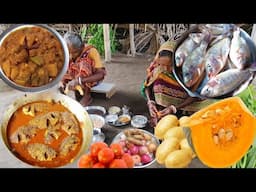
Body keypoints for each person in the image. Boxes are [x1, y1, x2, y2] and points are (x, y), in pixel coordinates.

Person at [141, 35, 216, 127]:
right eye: (162, 64)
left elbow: (196, 95)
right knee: (159, 79)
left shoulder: (193, 67)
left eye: (170, 65)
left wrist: (174, 108)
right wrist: (150, 102)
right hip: (172, 98)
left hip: (192, 98)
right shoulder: (158, 66)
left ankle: (183, 111)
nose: (166, 69)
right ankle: (161, 109)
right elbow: (148, 83)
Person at [59, 32, 106, 106]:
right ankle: (62, 93)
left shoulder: (91, 51)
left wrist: (79, 80)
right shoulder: (67, 53)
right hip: (74, 78)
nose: (71, 55)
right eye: (69, 52)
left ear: (81, 47)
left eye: (74, 52)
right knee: (64, 64)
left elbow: (101, 74)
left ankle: (87, 96)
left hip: (90, 80)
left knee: (84, 63)